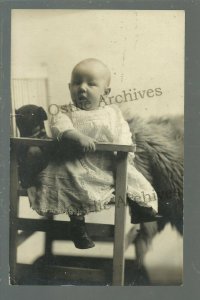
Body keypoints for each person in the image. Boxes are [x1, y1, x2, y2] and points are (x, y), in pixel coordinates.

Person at [27, 58, 160, 249]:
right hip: (73, 162)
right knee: (71, 184)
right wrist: (76, 136)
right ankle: (77, 226)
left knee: (134, 177)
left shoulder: (112, 112)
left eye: (91, 84)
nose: (82, 88)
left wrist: (123, 148)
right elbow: (59, 127)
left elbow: (123, 131)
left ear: (106, 92)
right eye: (76, 83)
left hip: (105, 163)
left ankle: (140, 207)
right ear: (69, 87)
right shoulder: (65, 111)